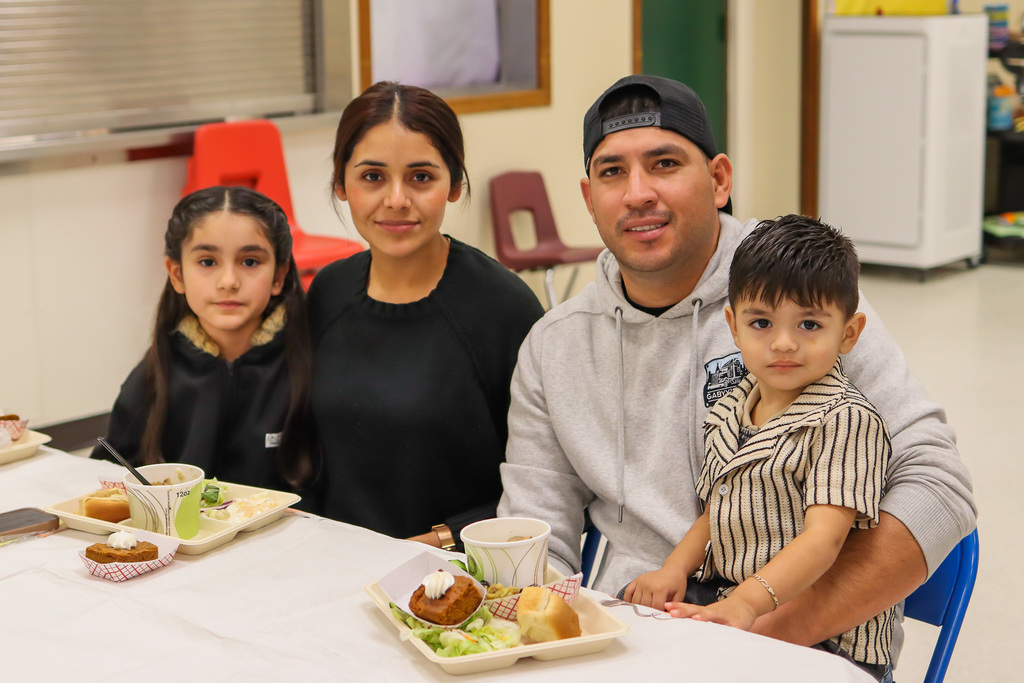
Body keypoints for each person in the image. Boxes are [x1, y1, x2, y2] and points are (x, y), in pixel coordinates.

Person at [497, 75, 975, 665]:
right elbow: (535, 534)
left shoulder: (796, 296)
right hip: (631, 634)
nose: (637, 193)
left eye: (665, 163)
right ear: (588, 194)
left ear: (720, 179)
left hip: (798, 641)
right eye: (612, 171)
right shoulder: (553, 346)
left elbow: (939, 487)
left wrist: (752, 634)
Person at [625, 215, 894, 679]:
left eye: (809, 324)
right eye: (762, 322)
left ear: (848, 333)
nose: (784, 343)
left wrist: (747, 604)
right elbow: (716, 509)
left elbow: (823, 539)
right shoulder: (730, 408)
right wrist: (673, 571)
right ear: (733, 326)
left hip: (827, 640)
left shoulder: (846, 419)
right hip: (726, 600)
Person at [308, 81, 544, 549]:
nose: (396, 199)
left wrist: (439, 540)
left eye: (421, 177)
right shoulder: (326, 292)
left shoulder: (502, 307)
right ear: (341, 183)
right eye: (373, 177)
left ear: (454, 185)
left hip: (457, 574)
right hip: (330, 562)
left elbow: (543, 477)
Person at [92, 186, 316, 501]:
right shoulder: (153, 375)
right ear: (177, 274)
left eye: (250, 262)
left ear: (279, 276)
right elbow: (107, 482)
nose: (228, 281)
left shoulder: (311, 367)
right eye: (208, 262)